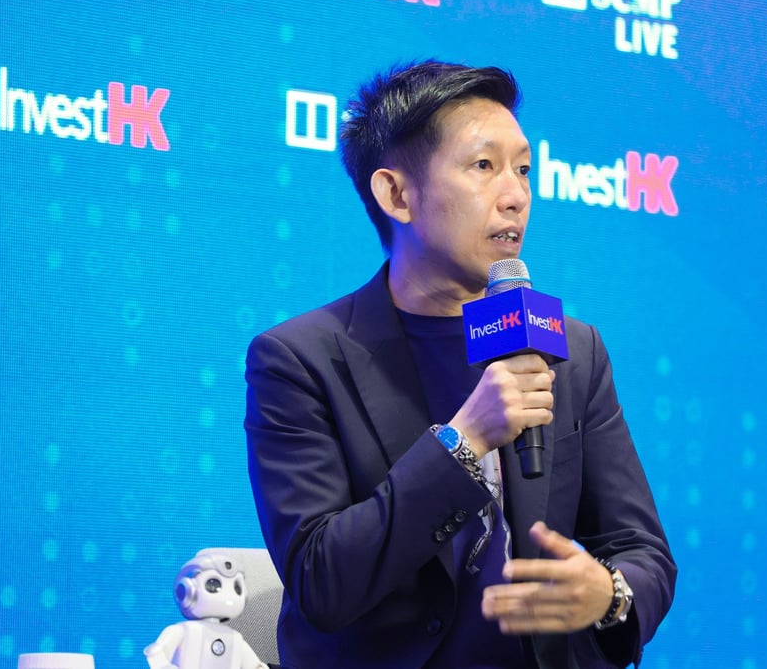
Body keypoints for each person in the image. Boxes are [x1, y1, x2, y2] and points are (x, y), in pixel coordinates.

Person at [244, 60, 676, 668]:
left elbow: (641, 549)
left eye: (523, 169)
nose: (516, 196)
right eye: (483, 166)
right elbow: (321, 580)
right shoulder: (301, 359)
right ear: (397, 195)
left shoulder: (571, 351)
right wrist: (464, 442)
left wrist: (608, 594)